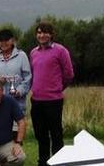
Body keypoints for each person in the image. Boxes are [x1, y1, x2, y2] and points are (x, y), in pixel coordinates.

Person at [29, 22, 74, 166]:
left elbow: (69, 74)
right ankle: (43, 162)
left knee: (56, 134)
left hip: (54, 100)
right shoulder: (33, 52)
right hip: (36, 100)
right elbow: (33, 74)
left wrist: (58, 88)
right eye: (39, 33)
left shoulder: (61, 51)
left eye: (45, 32)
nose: (42, 35)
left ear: (51, 34)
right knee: (40, 135)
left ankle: (58, 162)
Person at [0, 29, 31, 131]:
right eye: (1, 40)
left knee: (16, 136)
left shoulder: (22, 56)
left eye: (6, 40)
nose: (3, 43)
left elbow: (27, 78)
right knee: (0, 135)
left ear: (12, 40)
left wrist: (19, 91)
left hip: (17, 104)